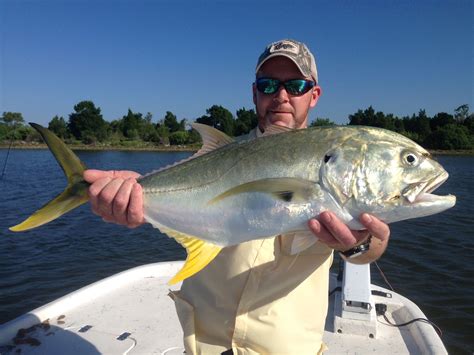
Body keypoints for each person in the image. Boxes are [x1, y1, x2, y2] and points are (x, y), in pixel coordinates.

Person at [84, 39, 390, 354]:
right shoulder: (218, 156)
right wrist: (134, 197)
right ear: (255, 93)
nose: (281, 96)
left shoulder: (341, 163)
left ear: (314, 95)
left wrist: (360, 244)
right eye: (268, 85)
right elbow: (178, 195)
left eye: (296, 85)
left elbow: (371, 245)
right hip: (205, 343)